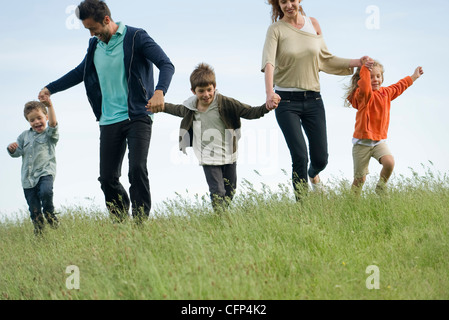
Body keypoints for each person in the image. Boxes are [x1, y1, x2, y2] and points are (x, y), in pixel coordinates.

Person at [39, 0, 175, 222]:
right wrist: (50, 88)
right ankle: (120, 222)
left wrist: (160, 91)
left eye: (93, 29)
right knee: (107, 178)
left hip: (137, 115)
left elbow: (166, 64)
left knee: (137, 169)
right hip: (109, 119)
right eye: (88, 30)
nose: (92, 34)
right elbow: (80, 72)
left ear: (106, 20)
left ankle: (140, 223)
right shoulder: (95, 46)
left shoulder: (136, 37)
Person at [262, 0, 366, 200]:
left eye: (292, 0)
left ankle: (313, 174)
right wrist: (269, 93)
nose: (289, 5)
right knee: (300, 155)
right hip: (285, 102)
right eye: (283, 2)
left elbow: (325, 58)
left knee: (321, 158)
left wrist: (358, 62)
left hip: (313, 100)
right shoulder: (275, 30)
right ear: (278, 4)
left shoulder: (313, 24)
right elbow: (268, 62)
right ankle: (303, 206)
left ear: (299, 0)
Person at [148, 63, 277, 211]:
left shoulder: (226, 103)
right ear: (193, 91)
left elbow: (250, 112)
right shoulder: (190, 107)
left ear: (214, 87)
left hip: (229, 154)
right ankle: (219, 218)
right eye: (201, 91)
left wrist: (267, 107)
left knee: (230, 190)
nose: (206, 94)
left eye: (209, 90)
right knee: (217, 191)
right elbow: (175, 109)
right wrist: (159, 106)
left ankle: (221, 216)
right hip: (208, 157)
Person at [345, 58, 424, 194]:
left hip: (378, 142)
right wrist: (364, 68)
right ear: (363, 78)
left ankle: (381, 187)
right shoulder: (362, 95)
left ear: (382, 77)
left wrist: (414, 76)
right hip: (361, 144)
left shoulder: (386, 93)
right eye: (371, 77)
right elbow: (364, 86)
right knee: (360, 179)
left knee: (389, 162)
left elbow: (401, 85)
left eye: (378, 76)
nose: (375, 79)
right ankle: (352, 205)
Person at [7, 96, 59, 235]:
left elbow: (53, 124)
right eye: (32, 120)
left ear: (46, 117)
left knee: (46, 192)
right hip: (27, 180)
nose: (36, 122)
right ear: (28, 122)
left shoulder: (49, 134)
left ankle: (50, 213)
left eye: (39, 118)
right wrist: (12, 149)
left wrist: (50, 105)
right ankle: (40, 234)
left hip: (45, 173)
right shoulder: (24, 136)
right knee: (34, 210)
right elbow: (17, 152)